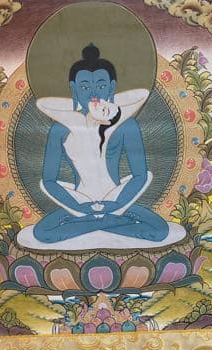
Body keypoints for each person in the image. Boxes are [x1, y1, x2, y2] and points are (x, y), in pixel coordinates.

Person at [24, 43, 169, 246]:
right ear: (73, 89)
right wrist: (78, 207)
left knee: (160, 230)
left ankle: (90, 224)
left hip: (117, 199)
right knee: (42, 233)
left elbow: (140, 175)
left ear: (112, 87)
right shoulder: (60, 129)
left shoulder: (126, 124)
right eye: (84, 87)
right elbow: (49, 180)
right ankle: (109, 224)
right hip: (79, 201)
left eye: (100, 86)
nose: (93, 93)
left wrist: (116, 205)